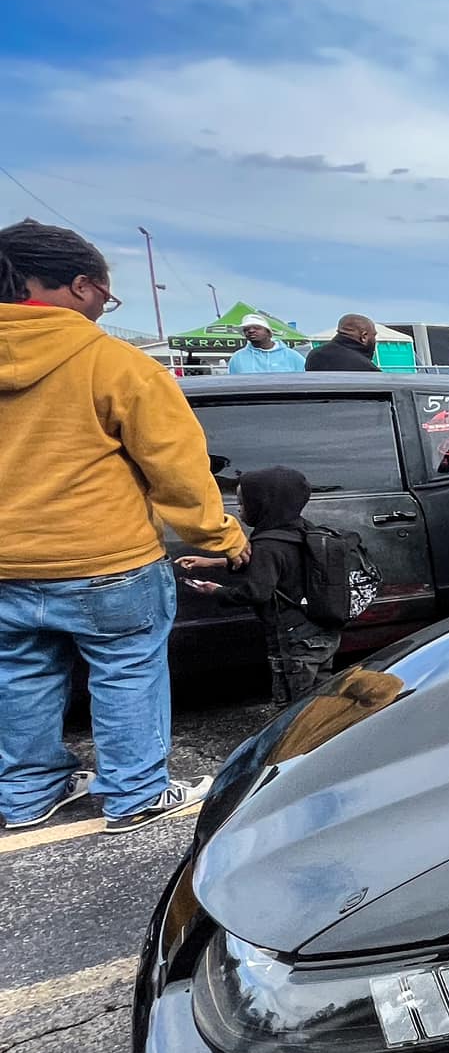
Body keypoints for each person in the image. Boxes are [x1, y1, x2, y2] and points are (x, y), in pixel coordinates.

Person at [0, 219, 248, 834]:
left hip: (5, 566)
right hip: (106, 561)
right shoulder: (116, 364)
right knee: (126, 671)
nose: (103, 310)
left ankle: (27, 796)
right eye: (106, 298)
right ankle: (135, 793)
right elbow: (178, 471)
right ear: (80, 287)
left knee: (20, 677)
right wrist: (221, 539)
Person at [176, 468, 339, 706]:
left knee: (296, 704)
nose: (239, 509)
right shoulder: (300, 529)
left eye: (244, 504)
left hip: (292, 639)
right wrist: (212, 562)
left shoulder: (266, 543)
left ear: (265, 504)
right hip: (319, 632)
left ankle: (301, 738)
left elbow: (257, 590)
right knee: (322, 694)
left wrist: (217, 591)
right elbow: (277, 567)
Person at [227, 312, 306, 373]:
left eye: (257, 328)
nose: (251, 331)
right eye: (246, 329)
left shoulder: (292, 356)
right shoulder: (237, 358)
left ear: (268, 333)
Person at [304, 314, 382, 372]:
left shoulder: (313, 356)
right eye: (374, 335)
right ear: (364, 336)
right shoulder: (366, 369)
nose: (375, 340)